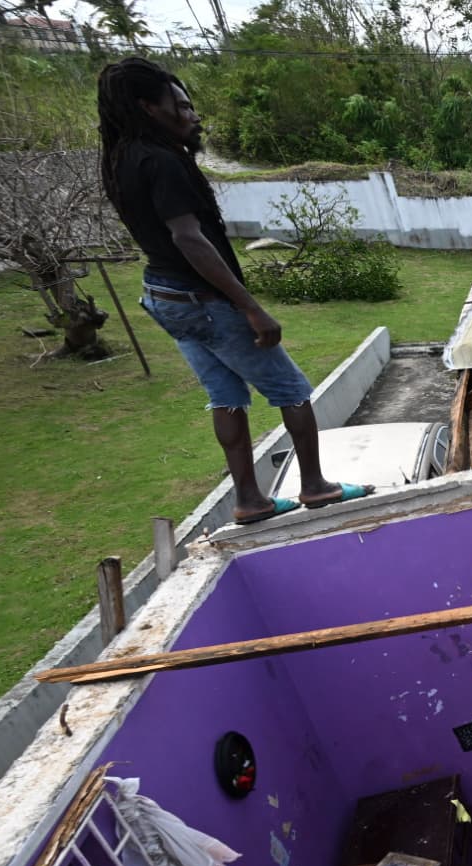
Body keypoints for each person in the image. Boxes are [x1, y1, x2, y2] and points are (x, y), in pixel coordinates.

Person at [98, 57, 370, 525]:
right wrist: (251, 308)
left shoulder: (120, 161)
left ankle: (250, 500)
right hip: (200, 298)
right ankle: (315, 486)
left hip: (164, 296)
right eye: (181, 106)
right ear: (148, 108)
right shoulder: (163, 161)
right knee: (292, 391)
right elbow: (188, 239)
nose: (193, 115)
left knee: (225, 395)